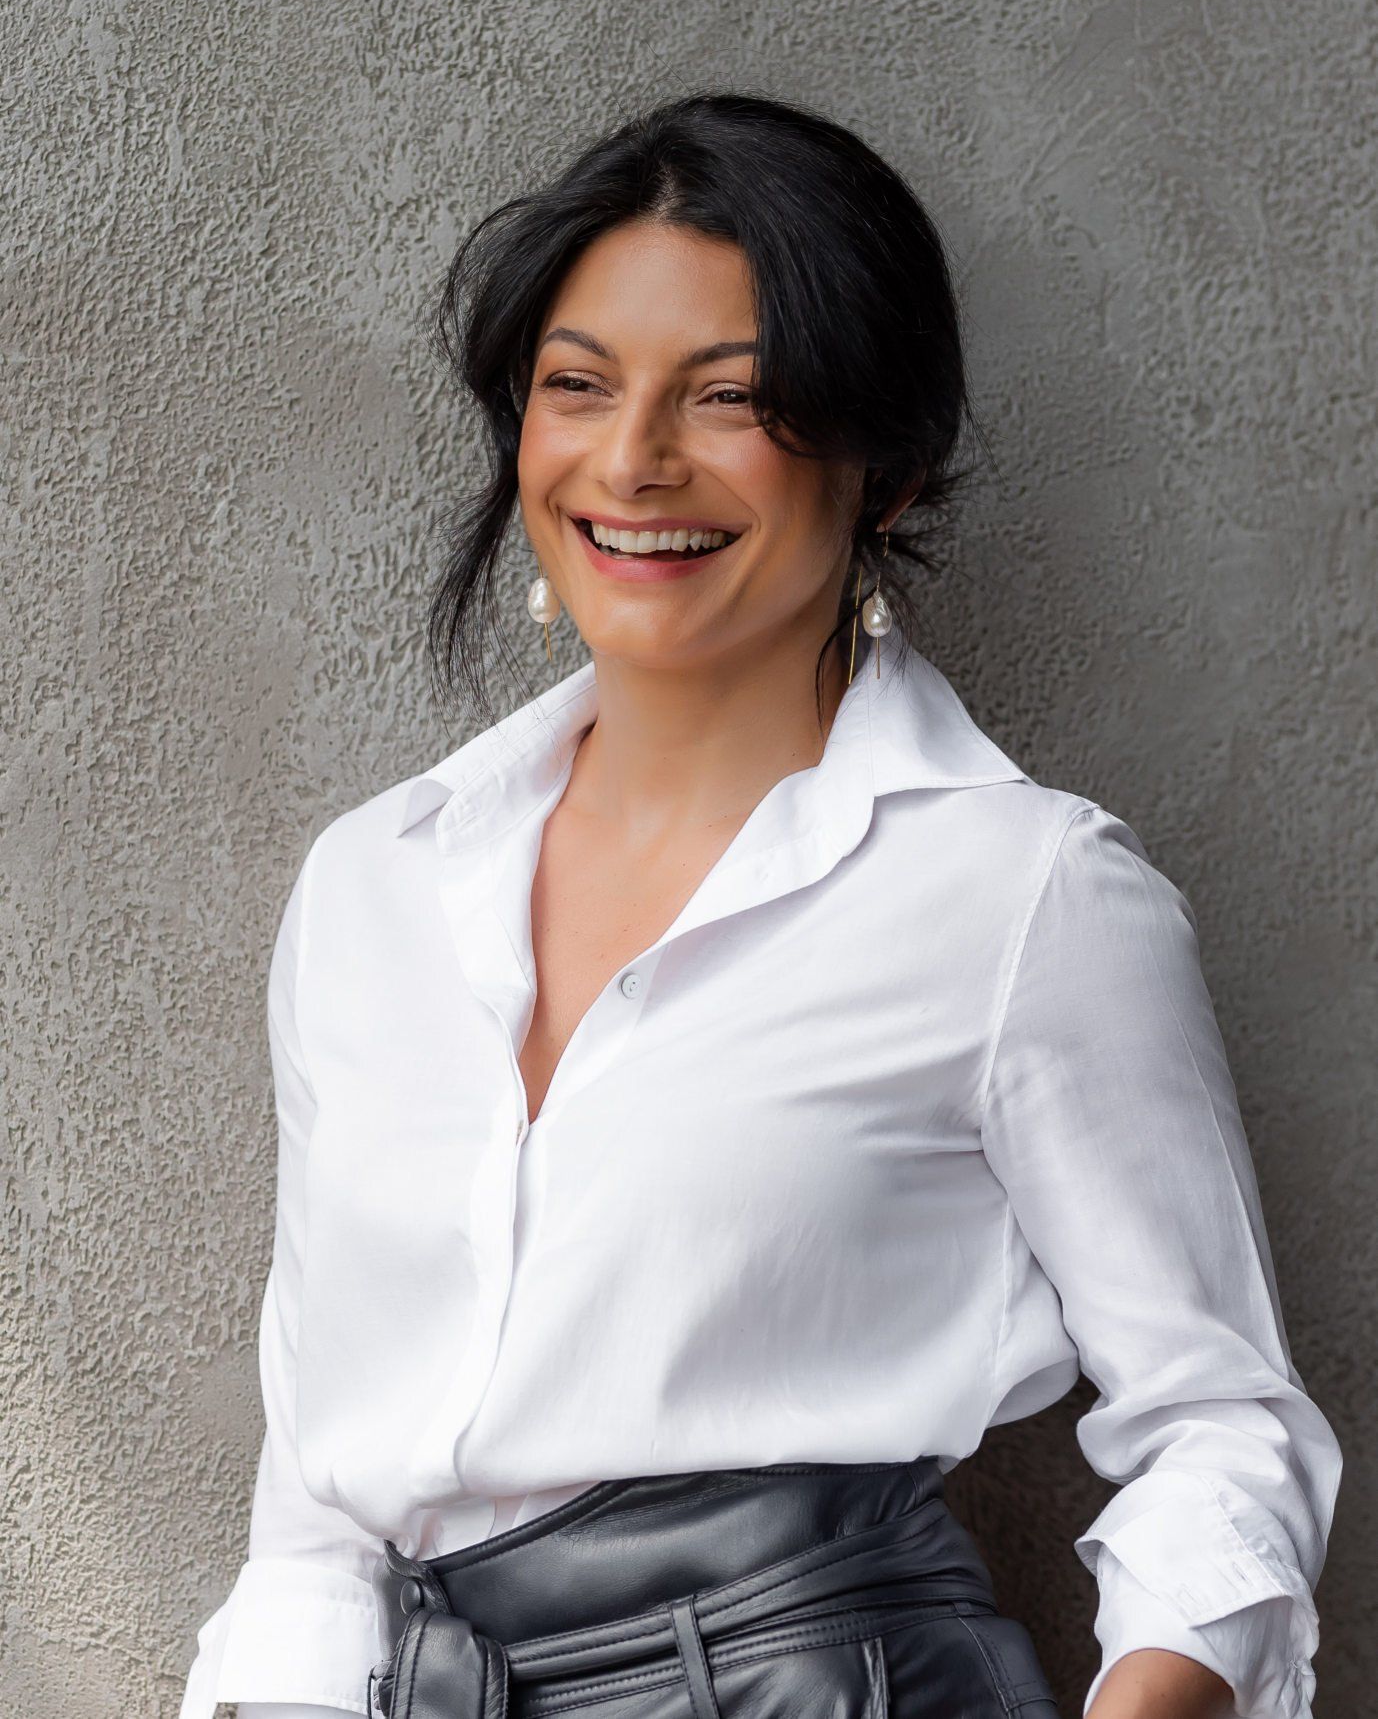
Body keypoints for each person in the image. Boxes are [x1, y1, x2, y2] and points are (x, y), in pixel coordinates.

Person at [177, 92, 1341, 1719]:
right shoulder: (371, 886)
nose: (634, 460)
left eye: (730, 400)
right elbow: (321, 1488)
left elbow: (1220, 1421)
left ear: (889, 470)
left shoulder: (1019, 890)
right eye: (577, 387)